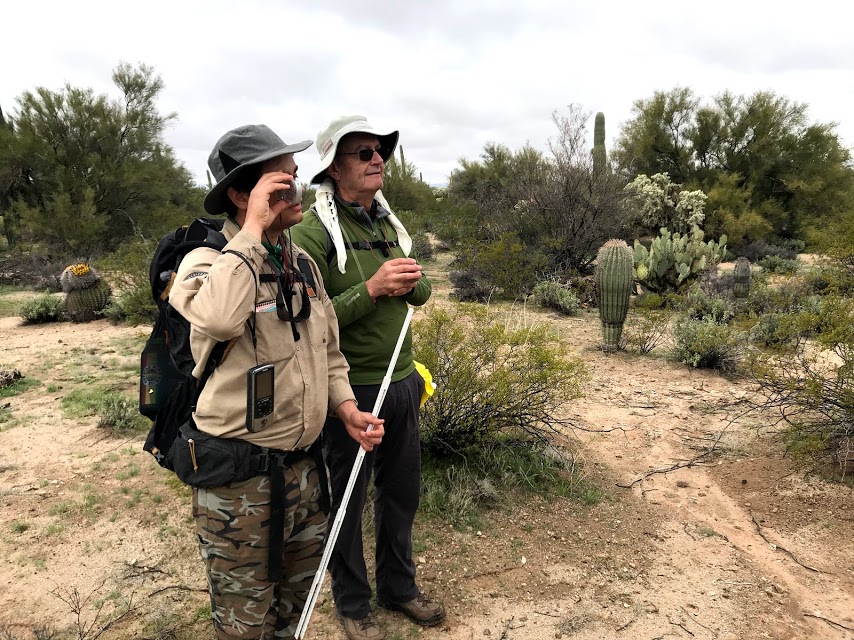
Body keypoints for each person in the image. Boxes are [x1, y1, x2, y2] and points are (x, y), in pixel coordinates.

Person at [168, 123, 385, 640]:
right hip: (239, 481)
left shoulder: (302, 263)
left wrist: (347, 409)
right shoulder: (204, 262)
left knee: (296, 611)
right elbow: (220, 318)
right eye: (279, 183)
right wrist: (251, 235)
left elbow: (329, 354)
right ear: (241, 195)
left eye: (294, 179)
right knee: (246, 622)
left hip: (306, 474)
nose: (297, 190)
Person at [290, 115, 442, 640]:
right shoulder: (310, 234)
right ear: (334, 166)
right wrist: (372, 289)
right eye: (364, 153)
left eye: (381, 151)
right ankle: (352, 604)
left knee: (401, 494)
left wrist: (407, 284)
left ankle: (399, 588)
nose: (378, 159)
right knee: (348, 502)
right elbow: (312, 322)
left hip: (403, 381)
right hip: (350, 393)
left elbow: (420, 294)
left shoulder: (385, 224)